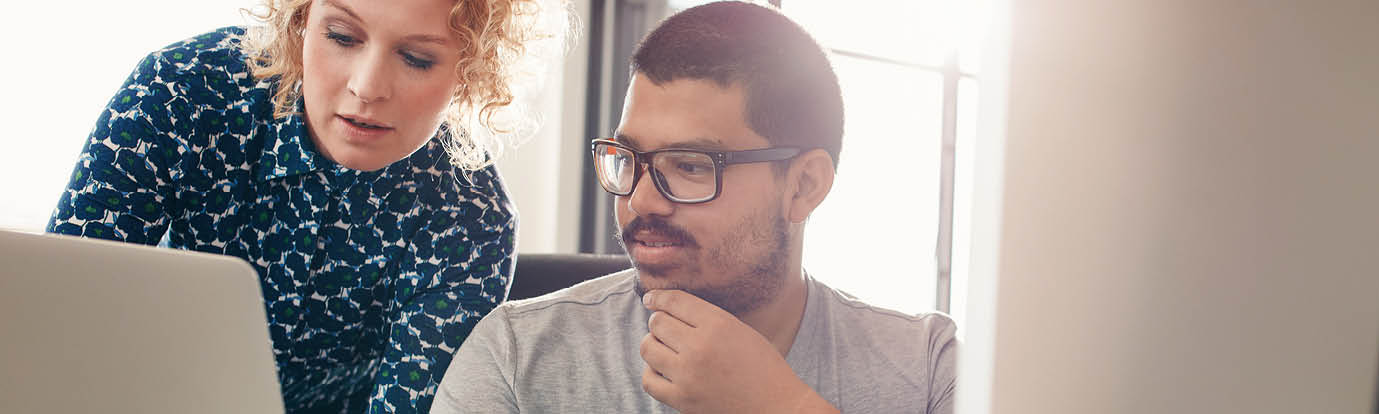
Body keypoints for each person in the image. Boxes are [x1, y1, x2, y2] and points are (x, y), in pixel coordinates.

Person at [431, 2, 958, 413]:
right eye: (628, 159)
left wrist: (778, 405)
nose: (640, 199)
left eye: (689, 166)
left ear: (804, 186)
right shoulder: (516, 358)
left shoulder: (928, 369)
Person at [44, 0, 569, 411]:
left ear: (474, 71)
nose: (366, 87)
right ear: (300, 20)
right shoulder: (180, 91)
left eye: (416, 58)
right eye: (341, 36)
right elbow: (57, 315)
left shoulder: (472, 219)